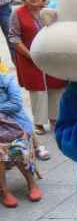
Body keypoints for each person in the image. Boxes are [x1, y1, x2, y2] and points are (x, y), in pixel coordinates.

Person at [10, 0, 64, 136]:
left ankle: (55, 119)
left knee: (56, 87)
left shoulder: (52, 12)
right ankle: (39, 123)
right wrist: (29, 54)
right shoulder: (18, 13)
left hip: (51, 57)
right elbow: (14, 37)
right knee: (37, 91)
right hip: (29, 58)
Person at [0, 57, 42, 207]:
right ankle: (4, 191)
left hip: (15, 126)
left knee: (17, 145)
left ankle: (32, 184)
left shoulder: (7, 80)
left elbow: (16, 104)